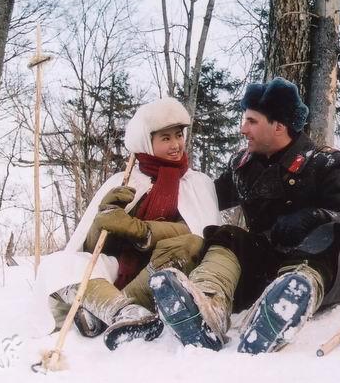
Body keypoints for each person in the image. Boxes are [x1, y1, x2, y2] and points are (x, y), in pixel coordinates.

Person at [149, 77, 340, 354]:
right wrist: (149, 187)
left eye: (251, 121)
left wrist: (318, 216)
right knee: (227, 235)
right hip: (265, 267)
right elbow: (200, 198)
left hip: (321, 265)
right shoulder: (243, 166)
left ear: (279, 126)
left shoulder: (324, 163)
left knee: (325, 234)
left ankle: (287, 301)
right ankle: (207, 304)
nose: (243, 129)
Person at [31, 97, 222, 351]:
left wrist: (142, 231)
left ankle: (96, 310)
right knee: (59, 263)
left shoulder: (198, 183)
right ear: (147, 141)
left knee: (189, 245)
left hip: (159, 270)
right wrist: (103, 219)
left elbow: (199, 235)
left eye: (179, 135)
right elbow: (91, 248)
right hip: (118, 267)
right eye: (166, 138)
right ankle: (123, 311)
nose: (176, 145)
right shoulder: (123, 180)